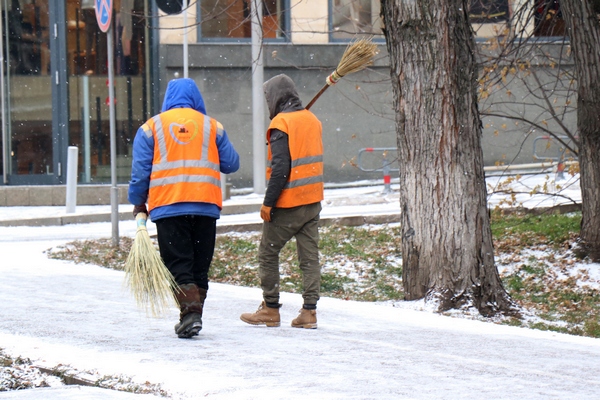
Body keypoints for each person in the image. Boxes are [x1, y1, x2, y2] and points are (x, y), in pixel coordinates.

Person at [128, 78, 239, 338]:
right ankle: (193, 316)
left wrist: (137, 200)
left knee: (179, 263)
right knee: (199, 266)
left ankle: (189, 315)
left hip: (169, 206)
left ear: (167, 99)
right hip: (205, 206)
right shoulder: (212, 127)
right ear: (197, 99)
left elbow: (140, 171)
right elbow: (232, 164)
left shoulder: (150, 128)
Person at [240, 74, 324, 329]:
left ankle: (270, 308)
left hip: (288, 204)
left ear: (275, 98)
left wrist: (268, 203)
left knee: (267, 253)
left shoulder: (281, 124)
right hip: (312, 201)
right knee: (309, 258)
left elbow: (280, 170)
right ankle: (309, 312)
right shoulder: (312, 120)